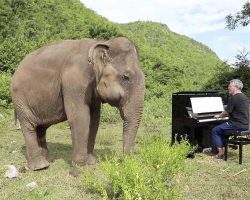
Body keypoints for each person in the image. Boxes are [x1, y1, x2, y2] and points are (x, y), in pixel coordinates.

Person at [210, 79, 249, 159]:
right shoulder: (244, 97)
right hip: (245, 124)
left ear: (235, 87)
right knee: (222, 130)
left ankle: (220, 153)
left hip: (236, 124)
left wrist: (219, 116)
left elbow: (226, 112)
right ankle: (217, 148)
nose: (228, 88)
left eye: (230, 86)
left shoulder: (234, 98)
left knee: (215, 130)